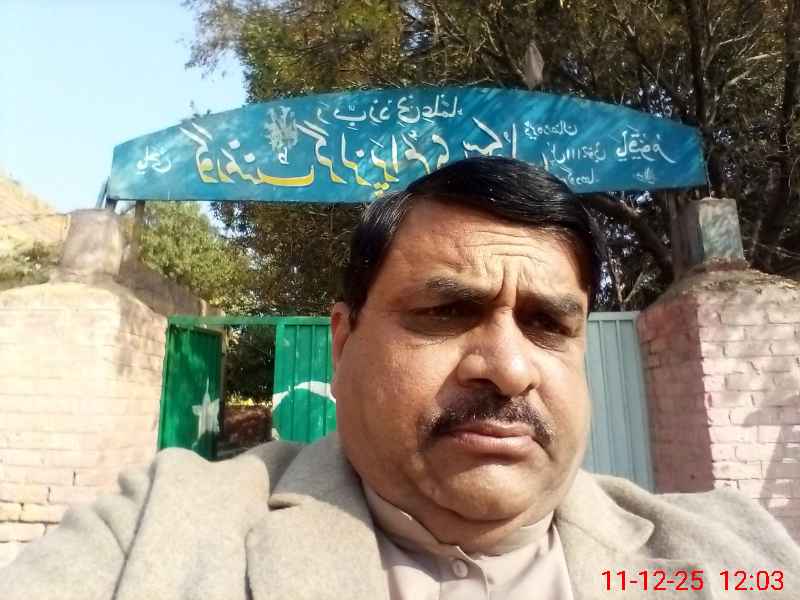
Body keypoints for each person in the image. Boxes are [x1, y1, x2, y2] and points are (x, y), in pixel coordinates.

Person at [1, 157, 798, 599]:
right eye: (447, 312)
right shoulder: (157, 532)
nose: (509, 368)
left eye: (548, 325)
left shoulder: (736, 553)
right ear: (343, 341)